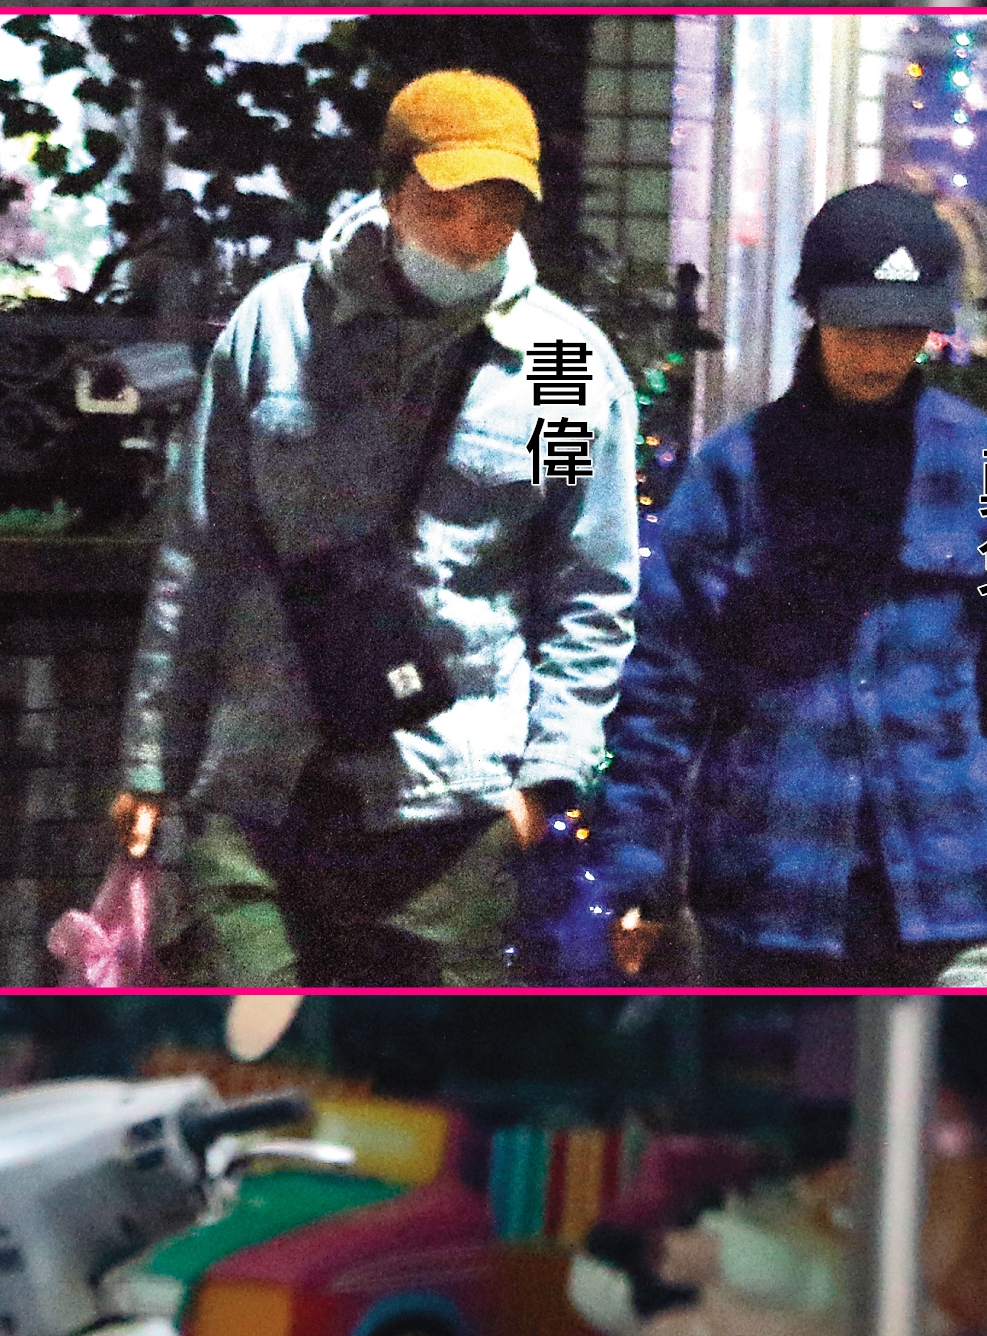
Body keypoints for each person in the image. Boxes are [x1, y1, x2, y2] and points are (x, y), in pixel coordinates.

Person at [114, 69, 638, 987]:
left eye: (501, 209)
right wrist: (153, 762)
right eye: (449, 204)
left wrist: (545, 776)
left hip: (453, 803)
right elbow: (200, 555)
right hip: (260, 783)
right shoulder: (279, 326)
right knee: (245, 1050)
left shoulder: (557, 363)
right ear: (392, 192)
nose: (475, 234)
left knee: (411, 1084)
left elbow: (583, 582)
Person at [593, 182, 987, 988]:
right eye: (858, 325)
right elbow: (662, 686)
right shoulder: (733, 475)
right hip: (767, 896)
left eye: (903, 330)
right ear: (813, 310)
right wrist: (637, 867)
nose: (878, 352)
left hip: (953, 888)